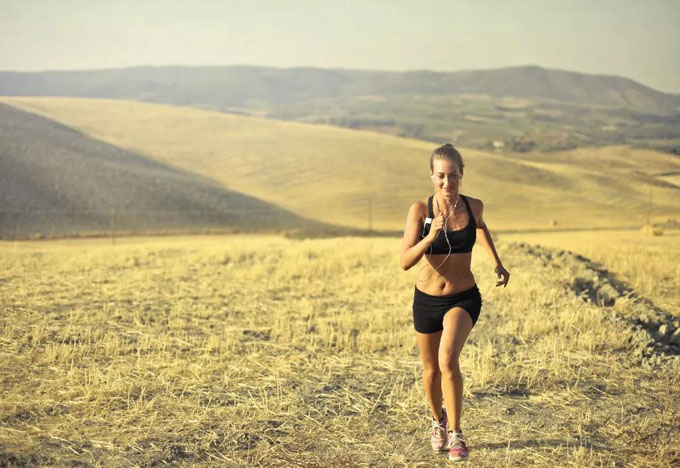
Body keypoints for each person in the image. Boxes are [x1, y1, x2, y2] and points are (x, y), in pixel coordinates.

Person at [400, 143, 509, 462]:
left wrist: (496, 262)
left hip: (463, 297)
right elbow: (405, 261)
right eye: (441, 176)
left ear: (462, 175)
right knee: (431, 370)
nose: (447, 182)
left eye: (454, 175)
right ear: (431, 176)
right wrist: (429, 237)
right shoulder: (420, 210)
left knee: (447, 360)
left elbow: (481, 227)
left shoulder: (474, 206)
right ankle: (438, 421)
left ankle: (457, 433)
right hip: (426, 300)